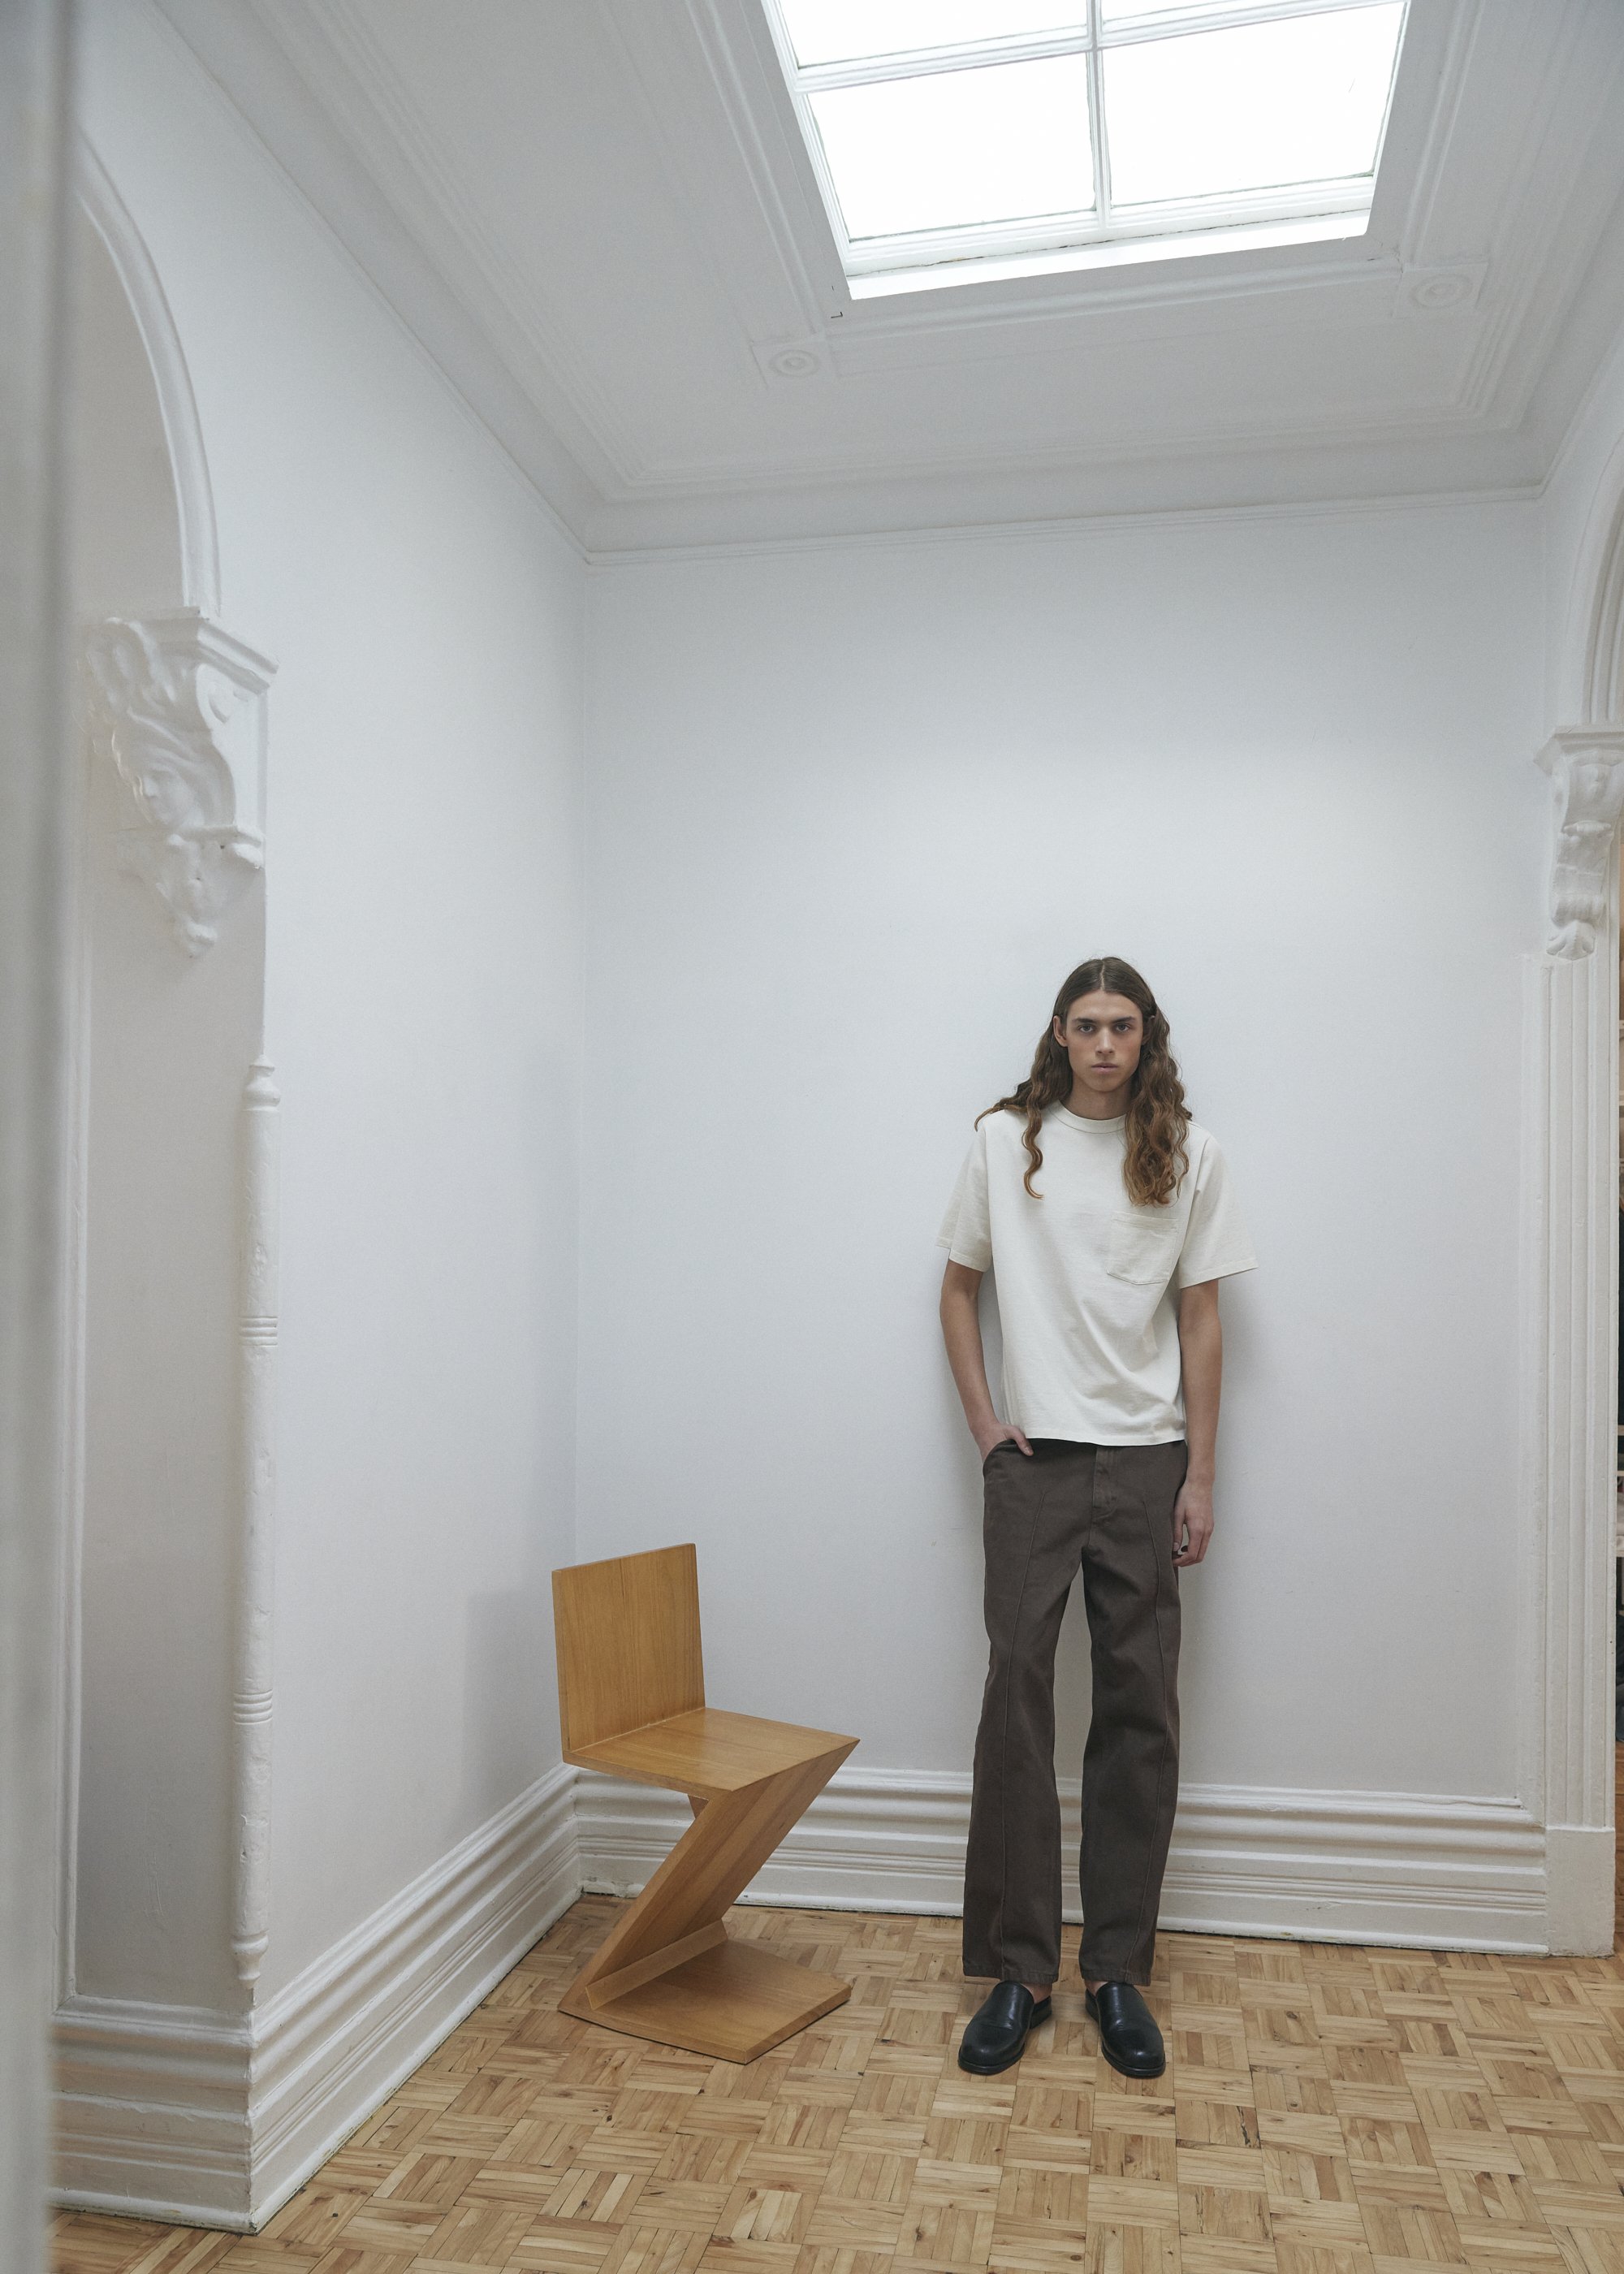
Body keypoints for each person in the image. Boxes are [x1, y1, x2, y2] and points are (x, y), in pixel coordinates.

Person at [937, 956, 1255, 2081]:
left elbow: (1204, 1322)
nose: (1106, 1043)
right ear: (1060, 1036)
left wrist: (1200, 1474)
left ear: (1147, 1035)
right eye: (1087, 1024)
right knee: (1014, 1706)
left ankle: (1117, 1969)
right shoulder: (1000, 1142)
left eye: (1123, 1025)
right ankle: (1020, 1976)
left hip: (1148, 1461)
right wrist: (987, 1428)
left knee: (1140, 1713)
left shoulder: (1189, 1153)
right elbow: (958, 1288)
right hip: (1035, 1464)